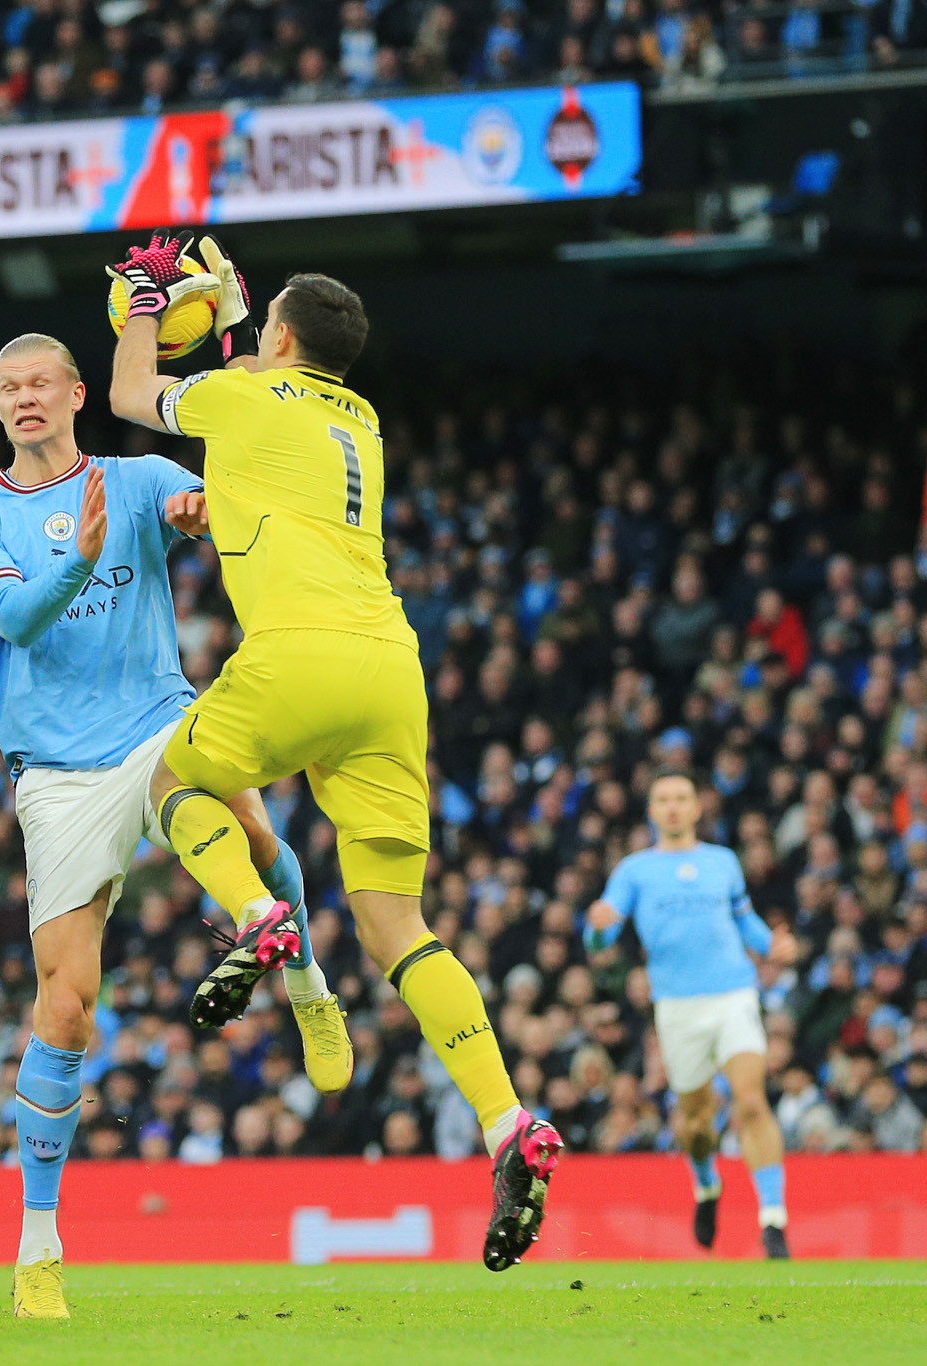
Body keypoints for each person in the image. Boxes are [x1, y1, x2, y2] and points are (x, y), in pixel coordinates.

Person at [106, 237, 562, 1272]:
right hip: (389, 670)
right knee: (394, 918)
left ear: (276, 339)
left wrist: (143, 299)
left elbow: (132, 388)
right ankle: (504, 1120)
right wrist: (208, 505)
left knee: (171, 781)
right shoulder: (356, 418)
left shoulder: (243, 399)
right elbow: (271, 484)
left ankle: (257, 913)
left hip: (297, 653)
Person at [0, 332, 351, 1319]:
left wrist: (195, 514)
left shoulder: (136, 477)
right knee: (66, 1005)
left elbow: (199, 512)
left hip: (158, 720)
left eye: (39, 382)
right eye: (6, 388)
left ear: (78, 392)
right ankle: (38, 1248)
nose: (24, 397)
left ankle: (299, 974)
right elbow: (18, 624)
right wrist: (78, 560)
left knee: (249, 830)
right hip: (57, 773)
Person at [586, 768, 798, 1258]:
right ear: (652, 810)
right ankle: (706, 1186)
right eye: (664, 799)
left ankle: (773, 1220)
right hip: (677, 1008)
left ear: (698, 807)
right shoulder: (634, 870)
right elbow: (602, 935)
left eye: (682, 797)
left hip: (733, 996)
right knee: (696, 1123)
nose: (674, 806)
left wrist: (774, 946)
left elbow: (745, 921)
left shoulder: (723, 862)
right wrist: (596, 928)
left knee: (750, 1101)